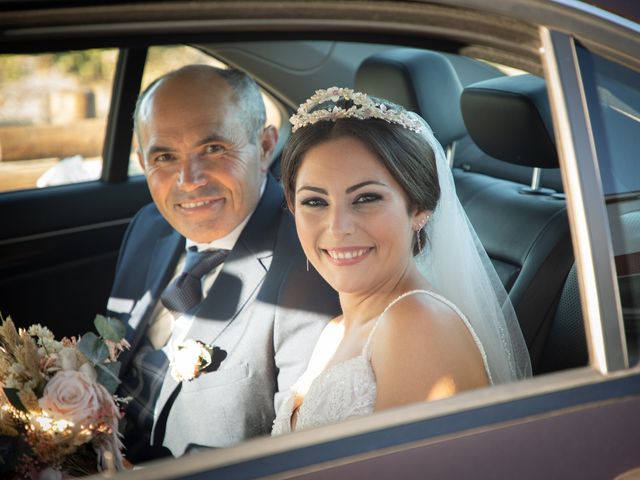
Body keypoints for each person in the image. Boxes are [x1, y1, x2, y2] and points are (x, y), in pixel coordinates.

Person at [106, 65, 339, 461]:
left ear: (266, 147)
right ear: (142, 161)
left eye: (213, 149)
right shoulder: (149, 225)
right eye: (164, 156)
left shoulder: (311, 262)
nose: (189, 179)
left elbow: (295, 453)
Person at [271, 87, 531, 434]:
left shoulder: (418, 323)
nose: (337, 227)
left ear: (419, 208)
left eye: (366, 198)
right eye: (315, 202)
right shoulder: (335, 330)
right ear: (292, 207)